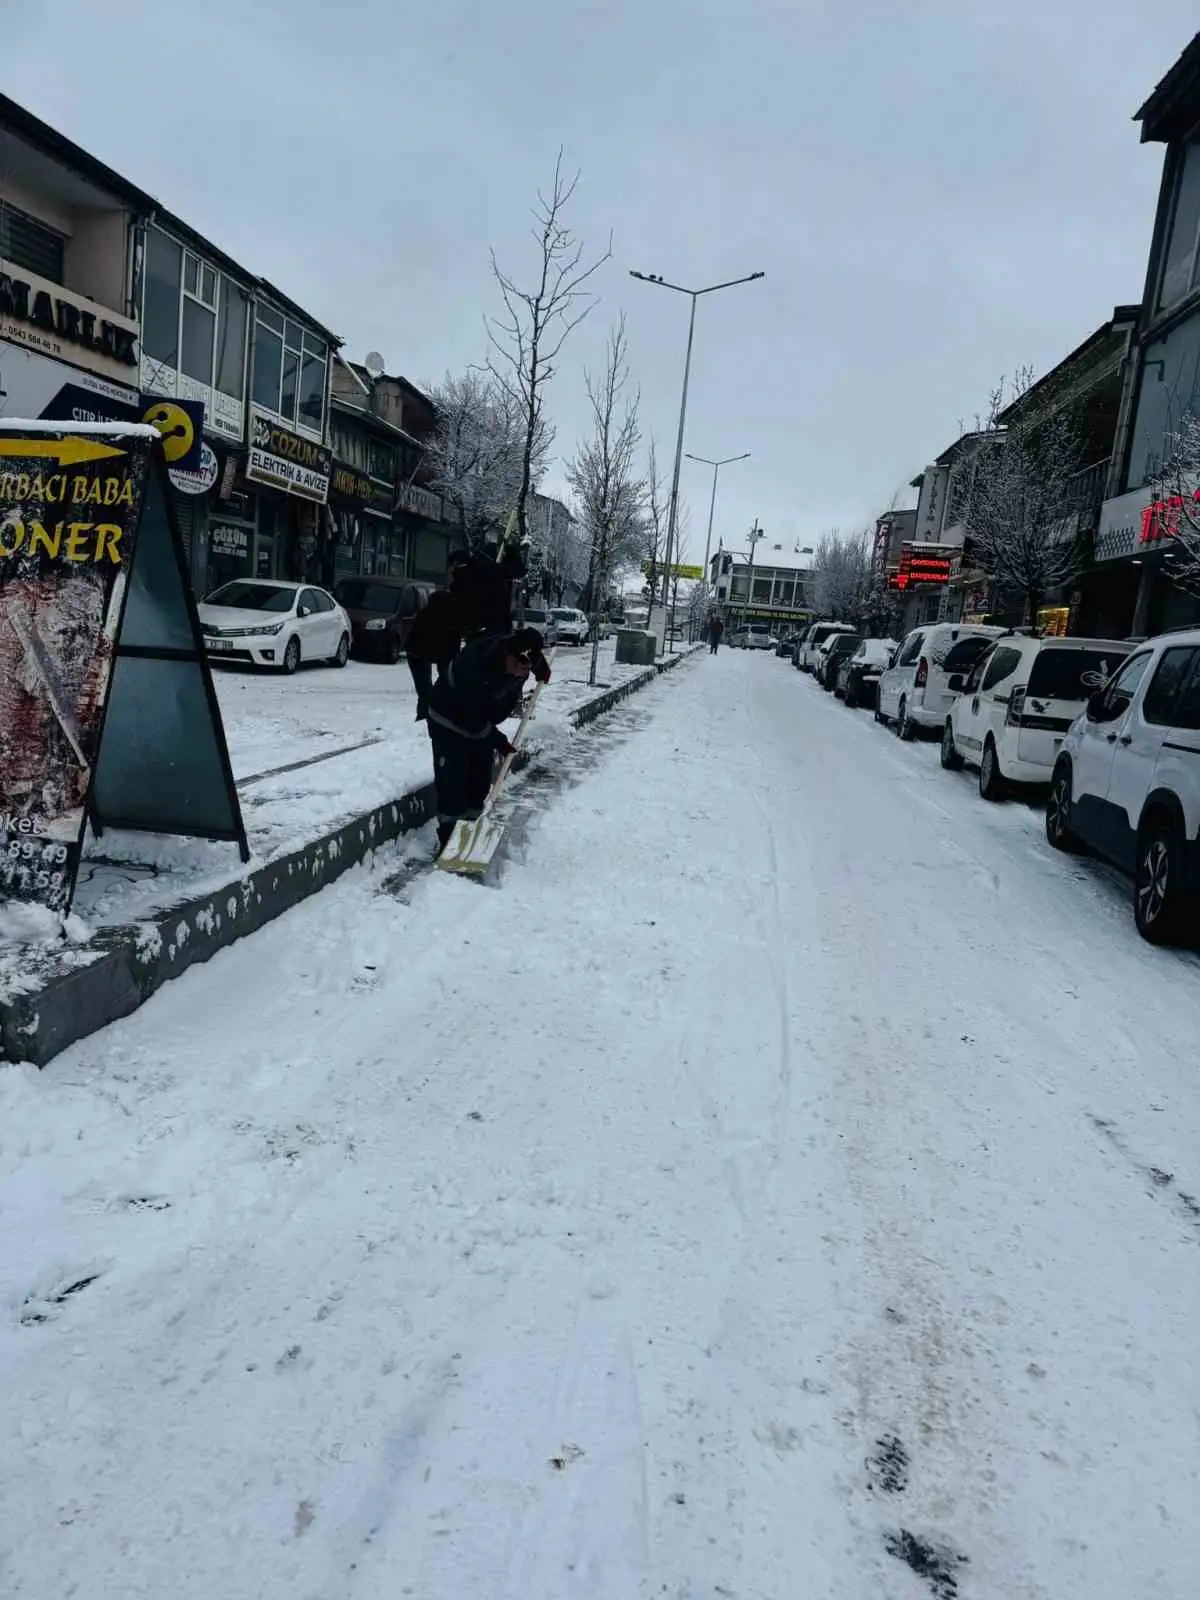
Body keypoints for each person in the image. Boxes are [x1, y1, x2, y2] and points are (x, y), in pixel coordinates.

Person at [425, 625, 551, 853]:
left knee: (480, 780)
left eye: (525, 669)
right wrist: (497, 739)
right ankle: (448, 843)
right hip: (449, 717)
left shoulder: (523, 657)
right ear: (506, 653)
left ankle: (469, 835)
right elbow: (469, 714)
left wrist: (541, 669)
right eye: (514, 665)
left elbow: (532, 655)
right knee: (454, 776)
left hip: (479, 719)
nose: (518, 673)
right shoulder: (476, 665)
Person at [404, 552, 473, 720]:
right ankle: (432, 720)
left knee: (428, 691)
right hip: (428, 650)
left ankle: (426, 718)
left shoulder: (431, 611)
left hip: (417, 650)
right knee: (443, 687)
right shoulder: (449, 616)